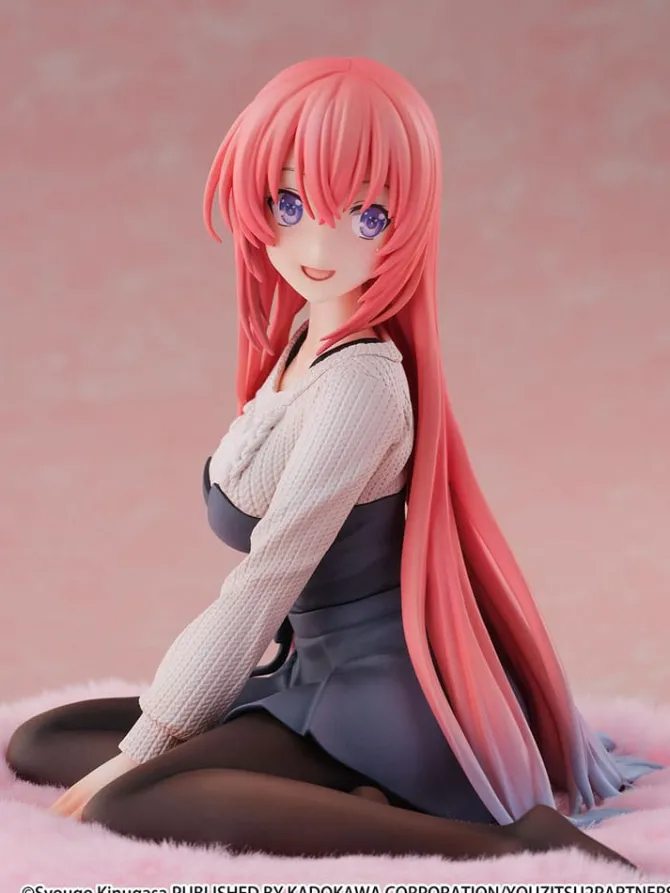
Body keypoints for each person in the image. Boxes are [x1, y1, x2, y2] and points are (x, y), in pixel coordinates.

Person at [6, 57, 661, 867]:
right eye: (290, 205)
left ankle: (498, 844)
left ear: (408, 223)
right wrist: (155, 733)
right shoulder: (300, 346)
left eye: (367, 215)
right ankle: (342, 802)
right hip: (304, 676)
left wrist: (146, 747)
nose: (317, 246)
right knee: (44, 741)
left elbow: (266, 581)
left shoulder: (362, 386)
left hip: (374, 701)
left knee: (128, 797)